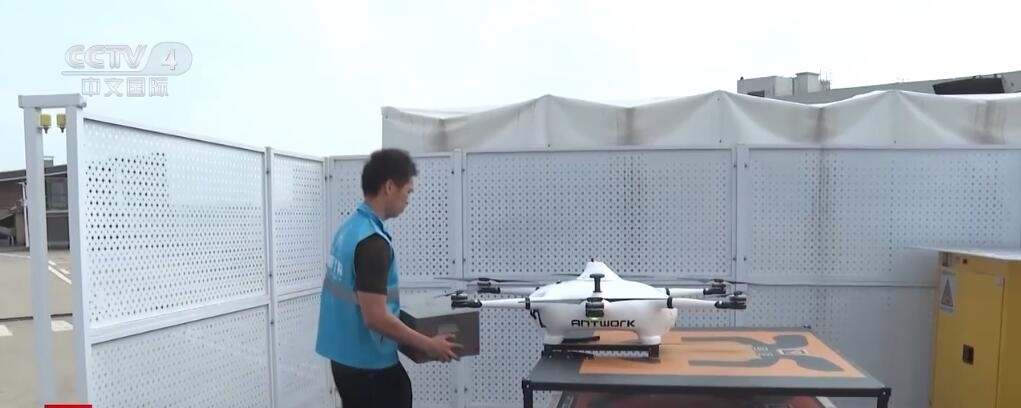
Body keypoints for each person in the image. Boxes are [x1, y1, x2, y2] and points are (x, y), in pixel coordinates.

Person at [315, 148, 462, 408]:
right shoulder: (373, 243)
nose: (409, 199)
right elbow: (375, 317)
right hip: (370, 368)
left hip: (344, 362)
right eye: (408, 191)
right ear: (390, 187)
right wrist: (429, 345)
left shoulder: (348, 230)